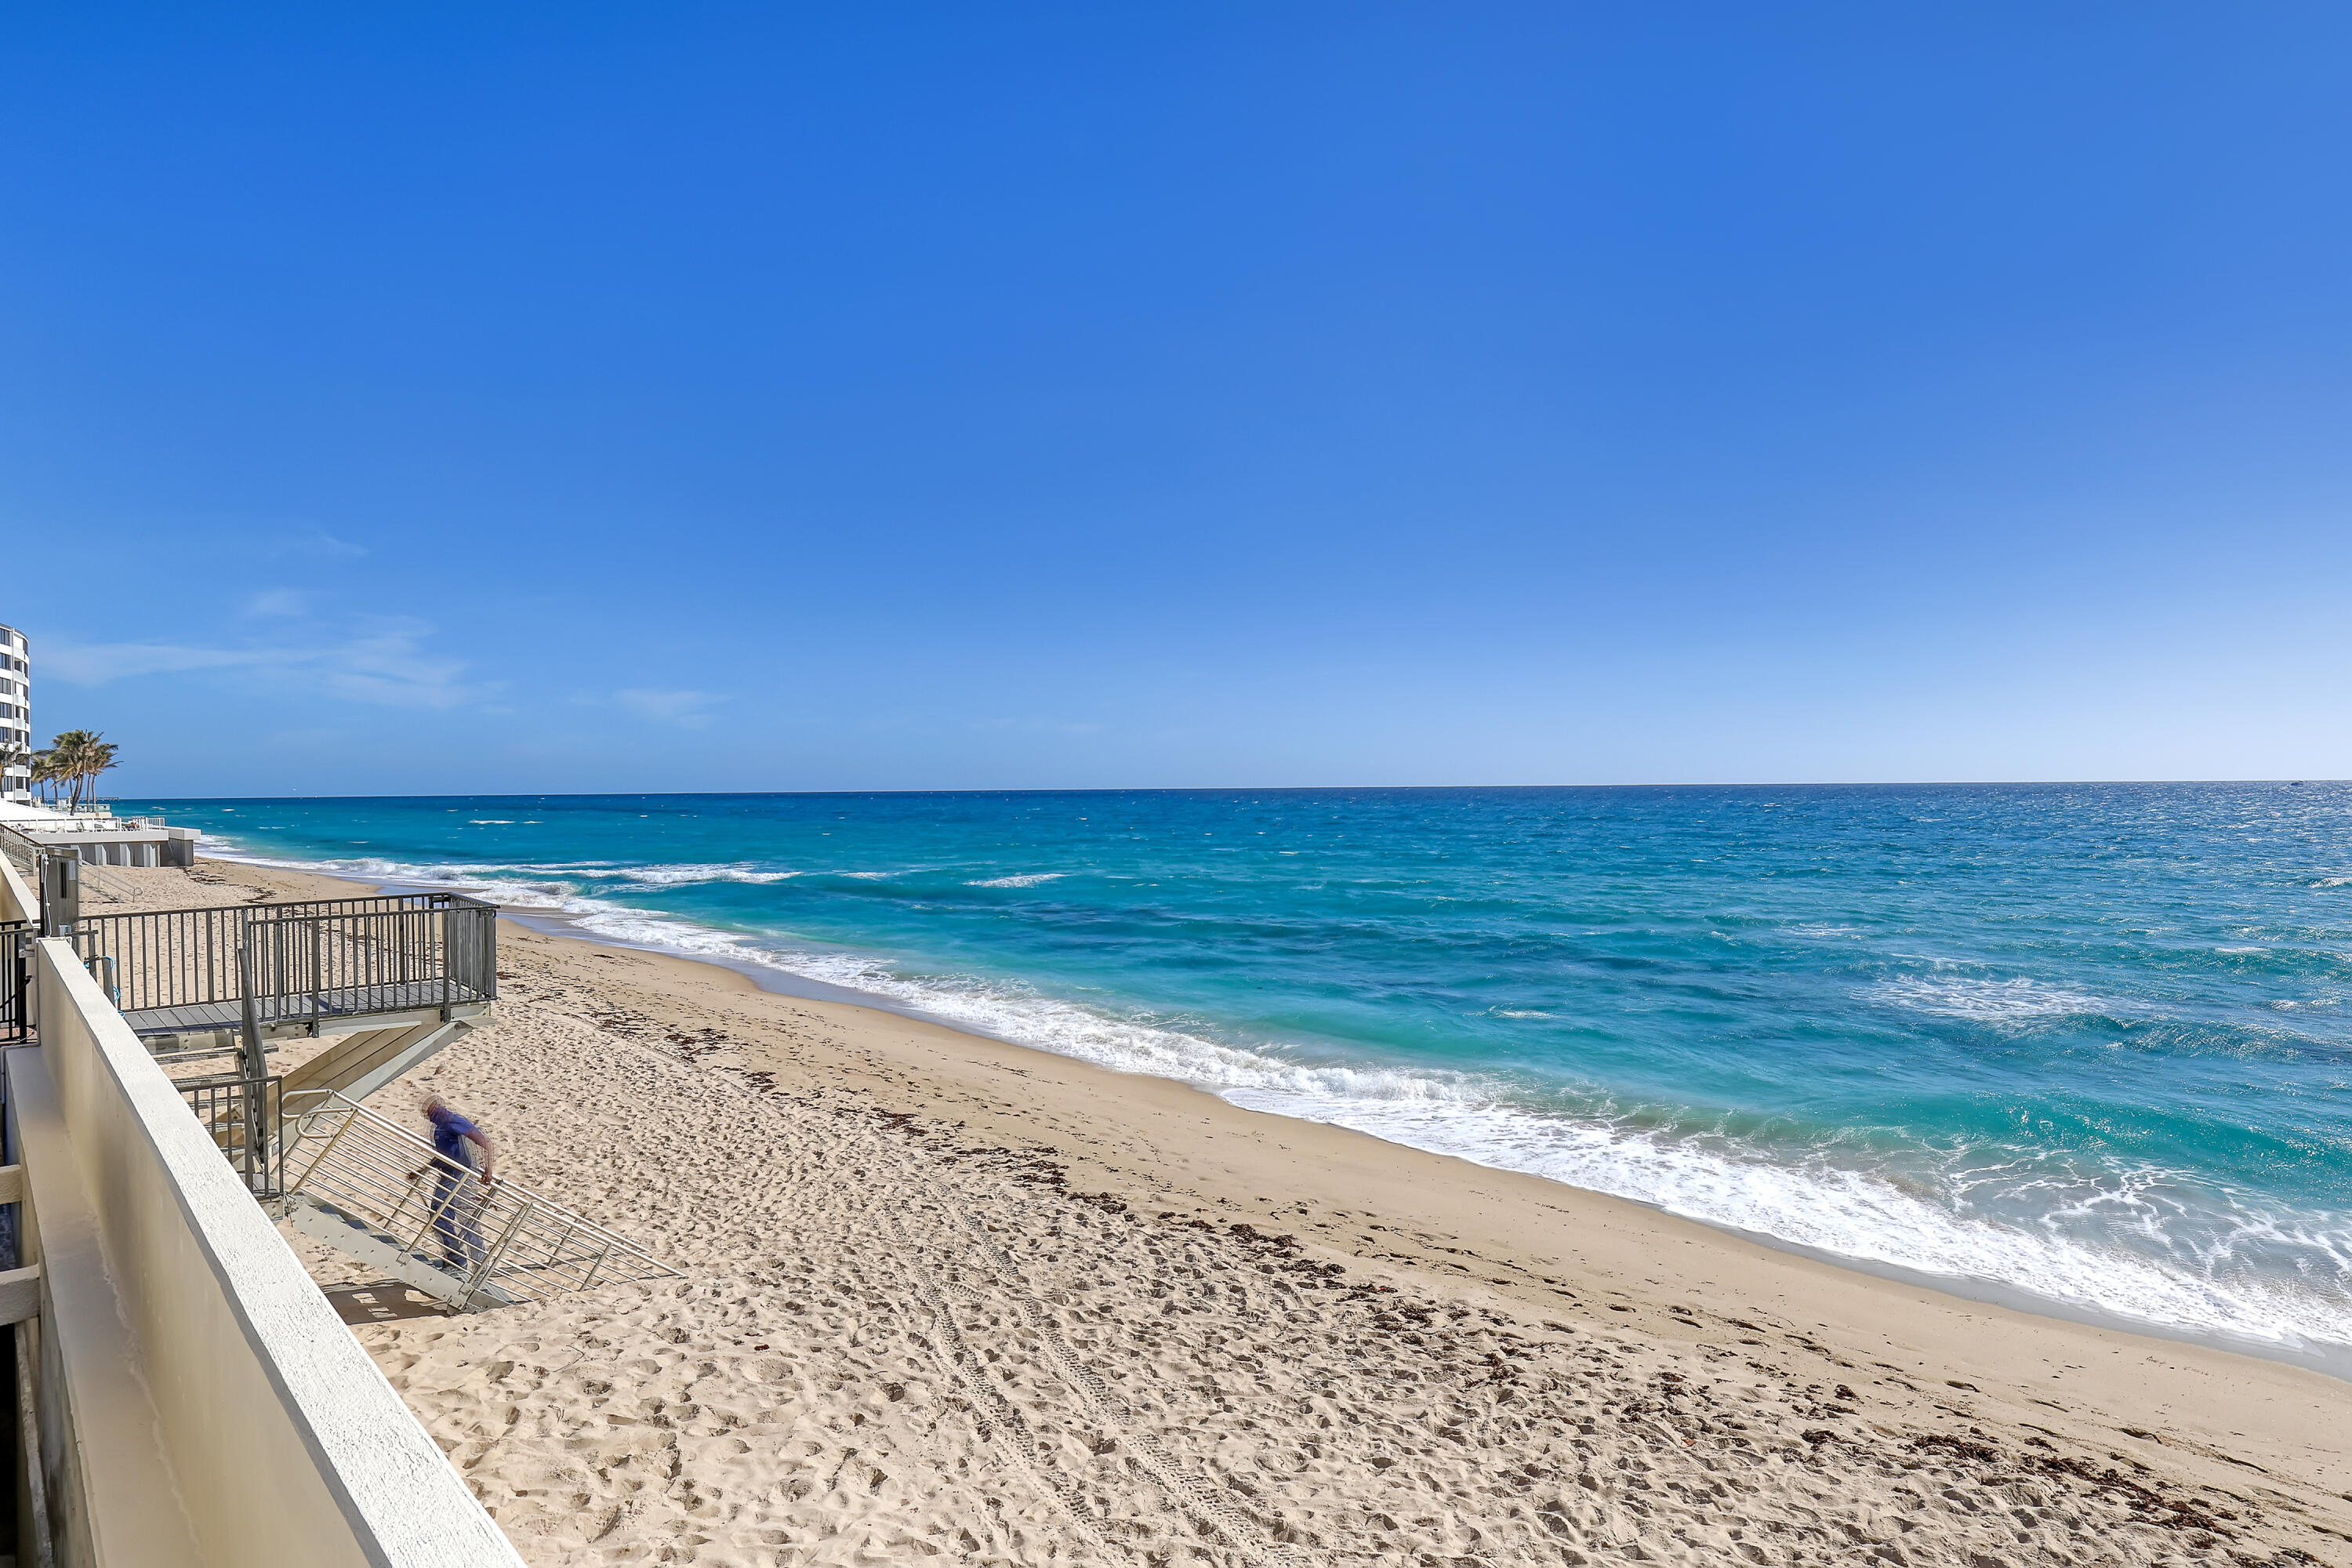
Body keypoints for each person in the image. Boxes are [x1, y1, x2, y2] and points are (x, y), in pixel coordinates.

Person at [416, 1096, 495, 1274]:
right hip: (448, 1174)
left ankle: (475, 1264)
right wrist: (422, 1171)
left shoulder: (453, 1120)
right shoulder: (439, 1129)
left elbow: (486, 1142)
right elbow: (443, 1156)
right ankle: (454, 1257)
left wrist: (488, 1169)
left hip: (461, 1174)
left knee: (465, 1219)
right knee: (438, 1215)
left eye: (434, 1112)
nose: (431, 1116)